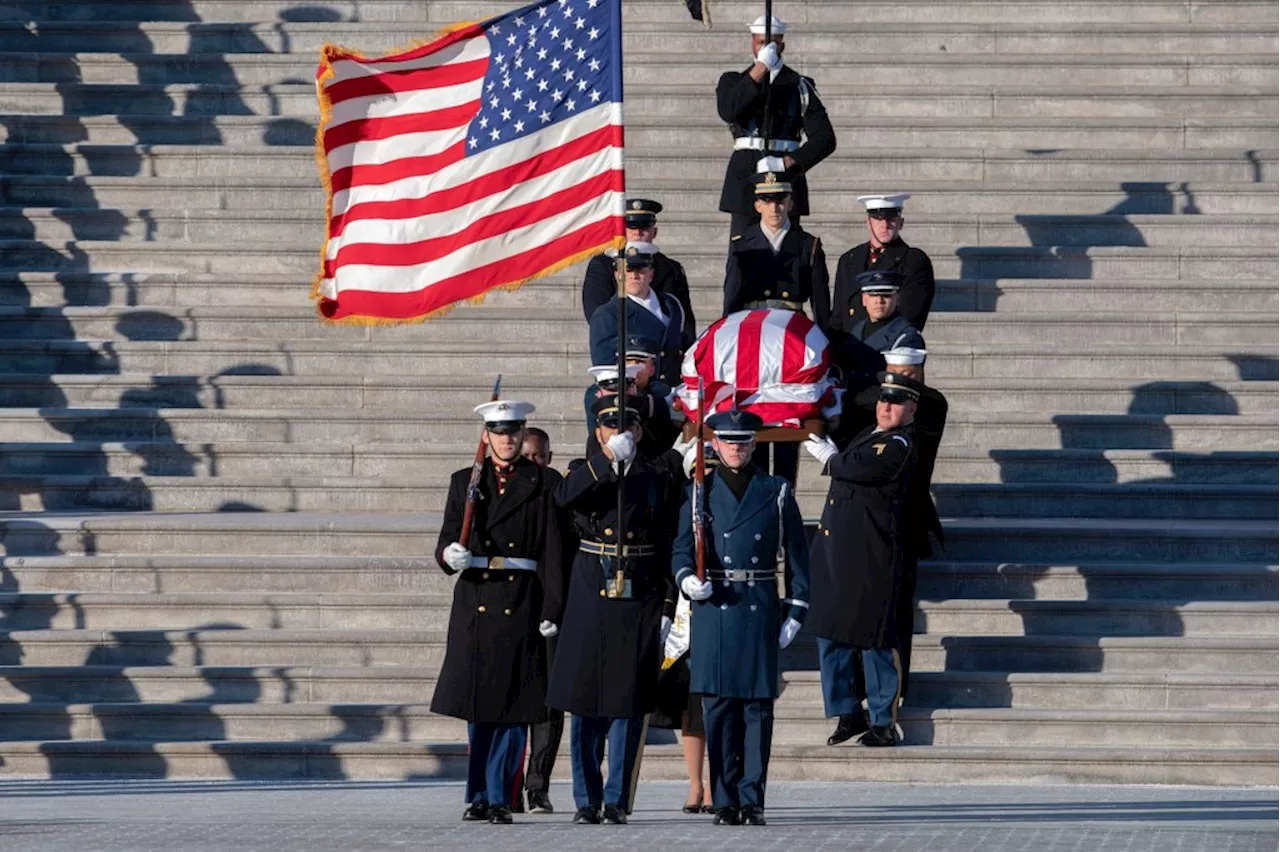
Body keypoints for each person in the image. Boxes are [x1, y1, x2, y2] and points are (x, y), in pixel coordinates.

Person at [549, 394, 682, 825]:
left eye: (627, 428)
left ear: (639, 432)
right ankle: (586, 800)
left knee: (628, 701)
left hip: (640, 584)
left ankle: (617, 799)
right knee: (585, 700)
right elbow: (565, 497)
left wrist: (666, 601)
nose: (619, 433)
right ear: (598, 432)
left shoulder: (658, 474)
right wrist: (607, 460)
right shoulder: (582, 470)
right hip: (592, 583)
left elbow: (667, 539)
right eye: (609, 427)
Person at [673, 410, 810, 826]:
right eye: (729, 441)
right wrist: (685, 579)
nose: (737, 448)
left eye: (745, 442)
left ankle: (753, 800)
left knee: (756, 709)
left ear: (755, 445)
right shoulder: (700, 491)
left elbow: (799, 557)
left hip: (758, 601)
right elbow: (680, 548)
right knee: (718, 708)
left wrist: (797, 608)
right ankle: (725, 798)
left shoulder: (777, 490)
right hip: (716, 604)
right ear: (714, 445)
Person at [432, 400, 565, 824]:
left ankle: (500, 796)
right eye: (499, 431)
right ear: (485, 436)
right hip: (476, 600)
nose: (507, 439)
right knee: (479, 708)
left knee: (513, 709)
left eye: (513, 432)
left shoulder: (544, 482)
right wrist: (448, 554)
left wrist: (552, 605)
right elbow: (449, 536)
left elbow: (552, 552)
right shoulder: (465, 481)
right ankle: (478, 793)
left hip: (521, 598)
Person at [802, 373, 923, 748]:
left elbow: (863, 470)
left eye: (896, 402)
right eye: (884, 401)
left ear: (912, 408)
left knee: (874, 638)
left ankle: (884, 719)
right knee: (831, 632)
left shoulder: (901, 443)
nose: (887, 408)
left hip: (872, 555)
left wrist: (831, 459)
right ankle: (847, 711)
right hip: (838, 551)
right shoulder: (870, 433)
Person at [717, 14, 836, 239]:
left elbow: (825, 139)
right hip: (746, 178)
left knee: (787, 254)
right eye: (761, 42)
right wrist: (761, 67)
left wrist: (787, 162)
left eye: (772, 43)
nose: (765, 48)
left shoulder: (799, 85)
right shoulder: (732, 81)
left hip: (785, 178)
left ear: (782, 44)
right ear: (752, 42)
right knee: (744, 256)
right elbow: (729, 110)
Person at [517, 425, 566, 815]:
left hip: (551, 603)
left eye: (540, 456)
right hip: (513, 603)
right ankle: (507, 784)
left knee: (550, 704)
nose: (534, 462)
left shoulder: (556, 488)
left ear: (549, 458)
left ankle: (538, 786)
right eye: (528, 455)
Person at [723, 169, 831, 332]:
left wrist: (824, 337)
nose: (774, 208)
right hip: (753, 325)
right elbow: (732, 298)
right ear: (757, 206)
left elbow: (820, 302)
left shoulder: (808, 245)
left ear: (790, 204)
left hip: (793, 326)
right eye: (766, 201)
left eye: (780, 201)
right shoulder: (742, 245)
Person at [581, 199, 696, 346]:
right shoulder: (603, 264)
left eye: (644, 227)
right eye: (631, 227)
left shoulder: (670, 268)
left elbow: (684, 319)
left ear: (654, 232)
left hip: (663, 350)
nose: (637, 232)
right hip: (622, 349)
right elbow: (596, 313)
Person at [831, 194, 936, 333]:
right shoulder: (849, 259)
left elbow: (910, 317)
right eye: (878, 219)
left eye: (891, 219)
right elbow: (839, 315)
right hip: (848, 346)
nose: (884, 225)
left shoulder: (914, 261)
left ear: (901, 223)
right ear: (868, 222)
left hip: (887, 347)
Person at [589, 241, 686, 387]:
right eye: (628, 270)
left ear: (651, 274)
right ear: (617, 275)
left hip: (676, 392)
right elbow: (607, 369)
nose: (634, 276)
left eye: (640, 270)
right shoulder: (607, 315)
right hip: (638, 396)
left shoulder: (671, 305)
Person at [846, 270, 926, 354]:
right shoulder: (857, 329)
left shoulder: (907, 337)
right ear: (864, 299)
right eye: (873, 295)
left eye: (886, 295)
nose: (879, 301)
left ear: (897, 299)